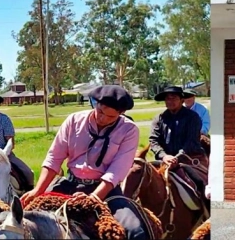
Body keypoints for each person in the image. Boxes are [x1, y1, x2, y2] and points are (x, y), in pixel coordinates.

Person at [19, 85, 149, 240]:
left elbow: (117, 170)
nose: (102, 119)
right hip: (69, 185)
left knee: (135, 230)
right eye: (100, 112)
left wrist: (94, 197)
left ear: (121, 113)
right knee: (24, 220)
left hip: (106, 191)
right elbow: (54, 158)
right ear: (95, 104)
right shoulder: (74, 120)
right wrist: (38, 190)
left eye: (110, 117)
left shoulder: (129, 130)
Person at [149, 86, 205, 167]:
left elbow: (191, 141)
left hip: (189, 159)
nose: (170, 101)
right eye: (168, 98)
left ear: (182, 100)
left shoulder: (192, 117)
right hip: (164, 160)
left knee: (197, 178)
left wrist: (177, 157)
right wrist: (164, 156)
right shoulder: (159, 119)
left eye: (174, 98)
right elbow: (154, 140)